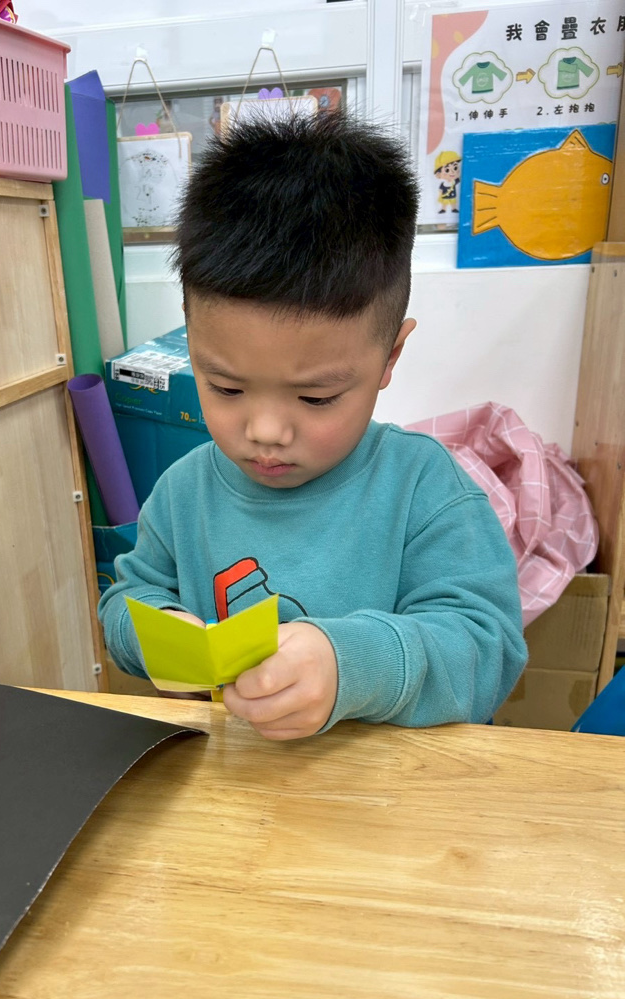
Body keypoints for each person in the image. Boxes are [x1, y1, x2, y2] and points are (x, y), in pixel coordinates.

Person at [99, 112, 526, 740]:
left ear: (390, 358)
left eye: (316, 397)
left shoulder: (424, 489)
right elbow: (125, 600)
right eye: (226, 387)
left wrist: (349, 664)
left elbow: (486, 651)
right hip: (239, 781)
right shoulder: (184, 492)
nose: (266, 430)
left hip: (385, 788)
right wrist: (158, 634)